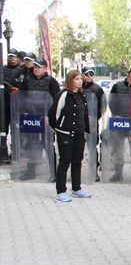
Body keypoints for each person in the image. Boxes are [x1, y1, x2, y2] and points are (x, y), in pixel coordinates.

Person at [47, 70, 91, 202]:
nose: (80, 81)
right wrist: (58, 128)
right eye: (76, 79)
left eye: (80, 79)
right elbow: (53, 114)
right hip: (65, 134)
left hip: (79, 134)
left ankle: (76, 188)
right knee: (64, 161)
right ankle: (61, 190)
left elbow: (83, 115)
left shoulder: (81, 96)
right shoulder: (63, 95)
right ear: (70, 80)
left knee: (77, 162)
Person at [13, 57, 60, 180]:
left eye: (39, 67)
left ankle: (54, 173)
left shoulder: (51, 82)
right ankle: (31, 172)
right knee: (31, 145)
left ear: (45, 68)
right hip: (31, 118)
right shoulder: (26, 81)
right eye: (35, 66)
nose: (36, 69)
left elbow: (57, 101)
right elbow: (21, 98)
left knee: (48, 145)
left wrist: (50, 117)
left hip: (46, 119)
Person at [105, 67, 131, 182]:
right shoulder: (117, 86)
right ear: (130, 74)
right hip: (119, 122)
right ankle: (118, 174)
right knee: (118, 150)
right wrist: (116, 115)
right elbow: (111, 102)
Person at [81, 67, 105, 182]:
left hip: (92, 123)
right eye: (86, 74)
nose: (89, 76)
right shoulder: (77, 87)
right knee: (77, 148)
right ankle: (75, 172)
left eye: (91, 74)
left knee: (92, 148)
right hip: (78, 122)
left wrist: (96, 116)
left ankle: (94, 172)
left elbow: (103, 106)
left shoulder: (98, 89)